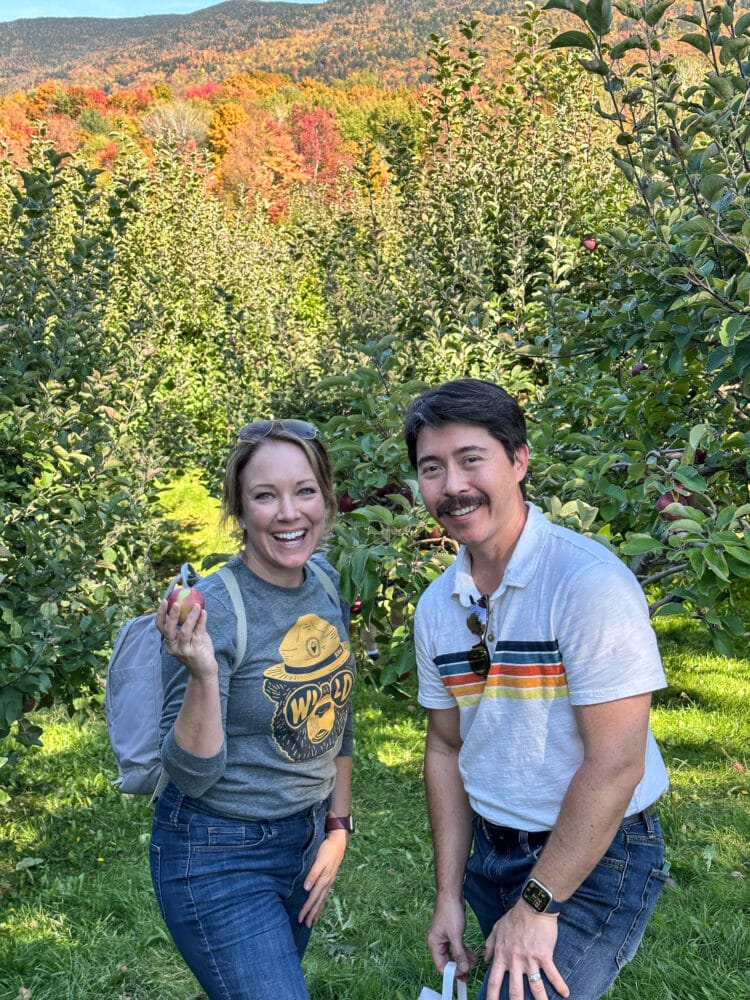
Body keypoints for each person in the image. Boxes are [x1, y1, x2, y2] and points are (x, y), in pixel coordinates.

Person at [404, 379, 670, 1000]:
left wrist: (537, 905)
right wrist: (447, 896)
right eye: (432, 468)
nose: (452, 486)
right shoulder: (437, 607)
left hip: (596, 850)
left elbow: (616, 764)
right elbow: (445, 749)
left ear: (519, 460)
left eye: (472, 459)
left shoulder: (588, 585)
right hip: (493, 848)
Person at [150, 418, 355, 1000]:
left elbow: (339, 715)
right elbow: (190, 773)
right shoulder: (209, 607)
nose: (290, 513)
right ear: (239, 511)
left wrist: (338, 825)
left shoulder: (325, 581)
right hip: (217, 851)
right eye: (266, 496)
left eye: (305, 491)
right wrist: (203, 674)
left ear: (326, 498)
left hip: (306, 843)